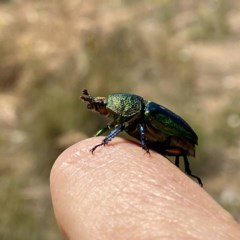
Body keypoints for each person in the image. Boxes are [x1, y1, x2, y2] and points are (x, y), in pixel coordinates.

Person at [50, 137, 240, 240]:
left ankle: (187, 171)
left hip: (178, 138)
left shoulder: (140, 118)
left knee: (176, 149)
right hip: (171, 139)